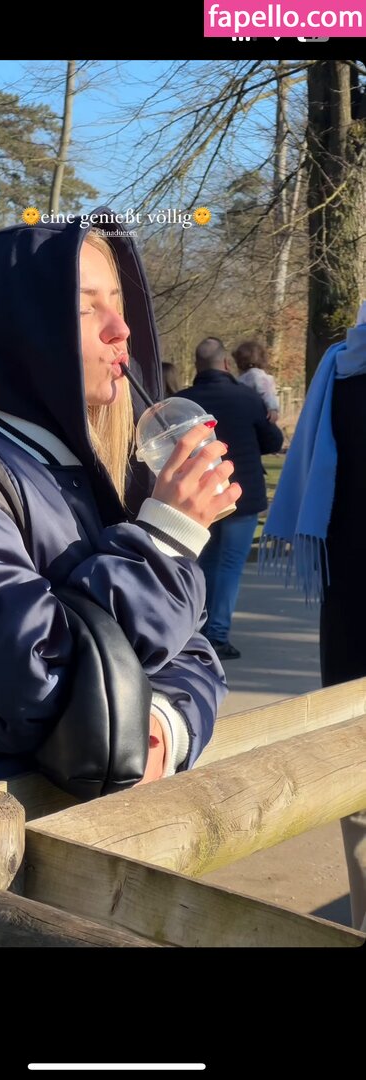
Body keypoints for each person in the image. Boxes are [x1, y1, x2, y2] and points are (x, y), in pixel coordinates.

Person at [0, 212, 241, 796]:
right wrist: (166, 540)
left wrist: (164, 725)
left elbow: (192, 649)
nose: (121, 329)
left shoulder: (92, 467)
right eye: (87, 308)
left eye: (118, 302)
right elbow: (29, 681)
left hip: (72, 813)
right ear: (17, 332)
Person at [260, 302, 366, 931]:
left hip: (349, 599)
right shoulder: (340, 368)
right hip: (350, 600)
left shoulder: (341, 367)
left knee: (359, 775)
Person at [176, 336, 283, 660]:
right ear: (225, 364)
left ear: (197, 366)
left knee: (204, 563)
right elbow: (272, 441)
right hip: (241, 493)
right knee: (231, 565)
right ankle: (218, 635)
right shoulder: (247, 397)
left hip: (201, 495)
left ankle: (197, 630)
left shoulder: (183, 402)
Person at [233, 340, 280, 422]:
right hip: (258, 417)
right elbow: (268, 392)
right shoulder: (261, 376)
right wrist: (273, 408)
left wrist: (272, 409)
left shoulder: (250, 377)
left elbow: (266, 392)